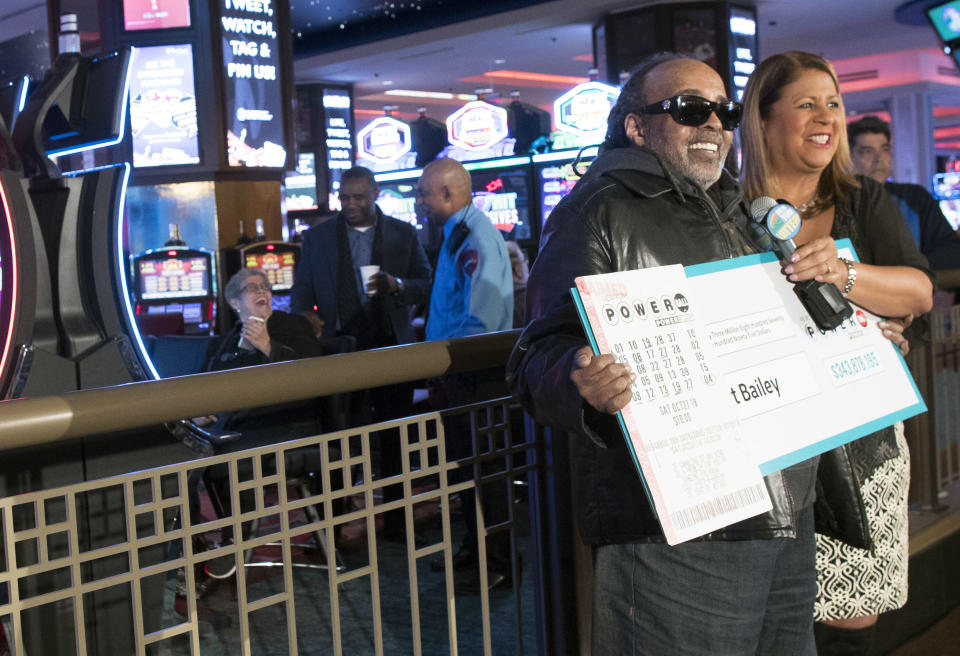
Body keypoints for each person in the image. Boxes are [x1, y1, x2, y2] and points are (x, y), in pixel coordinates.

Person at [507, 52, 842, 655]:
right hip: (682, 523)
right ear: (637, 127)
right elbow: (536, 356)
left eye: (724, 110)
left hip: (785, 504)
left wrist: (838, 310)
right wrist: (578, 379)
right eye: (691, 109)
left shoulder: (735, 205)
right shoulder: (597, 210)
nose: (713, 123)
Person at [739, 51, 934, 655]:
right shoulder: (723, 209)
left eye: (833, 103)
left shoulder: (863, 200)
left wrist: (844, 273)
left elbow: (919, 291)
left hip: (861, 438)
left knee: (853, 619)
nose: (826, 117)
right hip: (767, 438)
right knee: (770, 617)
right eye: (805, 103)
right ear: (763, 120)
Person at [290, 165, 433, 540]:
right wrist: (306, 314)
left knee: (394, 439)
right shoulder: (318, 238)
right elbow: (301, 289)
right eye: (344, 197)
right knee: (338, 439)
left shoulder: (403, 235)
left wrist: (397, 285)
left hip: (389, 347)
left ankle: (398, 524)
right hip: (339, 349)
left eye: (358, 197)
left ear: (375, 195)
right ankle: (334, 528)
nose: (350, 204)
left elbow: (426, 284)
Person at [417, 158, 514, 587]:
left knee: (487, 472)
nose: (419, 202)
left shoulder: (475, 234)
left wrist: (453, 360)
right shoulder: (458, 233)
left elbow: (482, 314)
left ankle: (498, 564)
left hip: (476, 372)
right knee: (468, 469)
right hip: (459, 371)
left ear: (447, 194)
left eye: (423, 193)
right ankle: (476, 552)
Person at [847, 115, 960, 270]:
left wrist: (908, 270)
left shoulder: (914, 197)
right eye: (867, 151)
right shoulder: (839, 202)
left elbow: (951, 252)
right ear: (849, 157)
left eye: (884, 149)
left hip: (908, 287)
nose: (879, 159)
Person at [505, 240, 530, 328]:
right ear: (517, 268)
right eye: (524, 260)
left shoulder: (489, 300)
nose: (527, 263)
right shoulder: (529, 298)